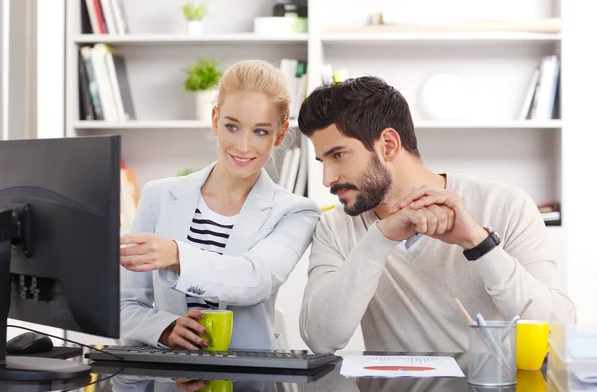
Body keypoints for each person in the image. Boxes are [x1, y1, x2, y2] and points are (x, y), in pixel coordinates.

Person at [297, 76, 576, 355]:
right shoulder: (334, 226)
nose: (327, 178)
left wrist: (480, 245)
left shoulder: (505, 205)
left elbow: (558, 331)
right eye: (323, 161)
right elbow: (321, 340)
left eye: (339, 155)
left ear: (389, 145)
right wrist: (379, 239)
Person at [118, 59, 320, 351]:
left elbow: (255, 280)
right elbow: (124, 305)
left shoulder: (296, 212)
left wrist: (176, 255)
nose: (243, 146)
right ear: (215, 120)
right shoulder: (157, 197)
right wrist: (164, 329)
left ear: (279, 133)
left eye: (260, 131)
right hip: (171, 379)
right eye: (232, 126)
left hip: (248, 382)